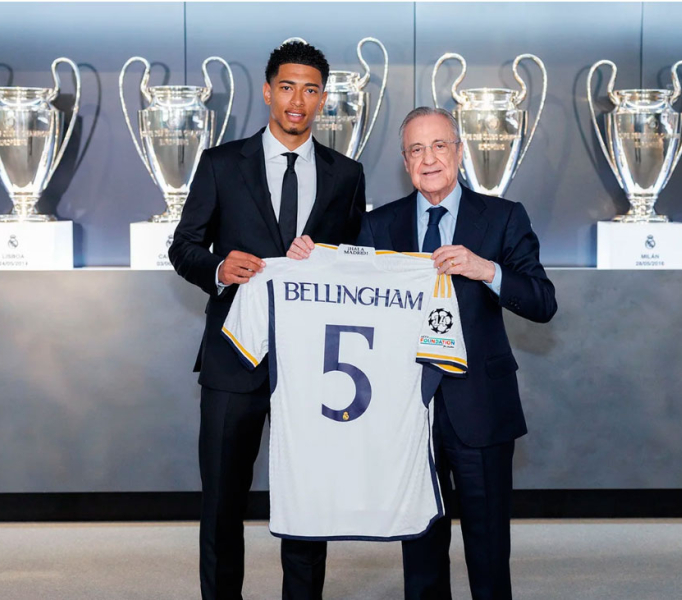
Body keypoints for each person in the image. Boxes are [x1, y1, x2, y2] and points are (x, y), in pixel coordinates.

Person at [168, 41, 365, 600]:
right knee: (223, 500)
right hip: (234, 357)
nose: (297, 101)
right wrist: (219, 268)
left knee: (306, 499)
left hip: (313, 365)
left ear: (323, 99)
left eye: (309, 90)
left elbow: (353, 264)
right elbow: (183, 248)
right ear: (267, 91)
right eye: (287, 87)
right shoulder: (221, 164)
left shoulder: (346, 175)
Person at [357, 106, 557, 599]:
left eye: (439, 145)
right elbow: (351, 298)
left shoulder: (504, 217)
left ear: (459, 152)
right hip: (409, 414)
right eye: (416, 150)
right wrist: (307, 260)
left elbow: (542, 302)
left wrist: (487, 270)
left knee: (488, 553)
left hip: (481, 408)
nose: (429, 159)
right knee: (420, 553)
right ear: (405, 162)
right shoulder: (378, 226)